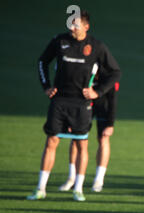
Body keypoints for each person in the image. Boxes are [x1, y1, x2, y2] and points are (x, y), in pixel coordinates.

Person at [27, 10, 121, 202]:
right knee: (51, 142)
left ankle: (78, 189)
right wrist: (46, 86)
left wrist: (98, 92)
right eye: (70, 24)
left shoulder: (96, 46)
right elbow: (42, 62)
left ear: (86, 26)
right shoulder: (59, 41)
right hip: (59, 100)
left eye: (76, 24)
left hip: (82, 103)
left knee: (81, 144)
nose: (72, 28)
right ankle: (40, 188)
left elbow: (115, 72)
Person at [59, 71, 120, 193]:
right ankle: (72, 178)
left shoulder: (108, 73)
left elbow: (113, 99)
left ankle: (99, 179)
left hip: (103, 107)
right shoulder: (83, 69)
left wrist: (110, 124)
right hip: (84, 106)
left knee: (103, 138)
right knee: (76, 138)